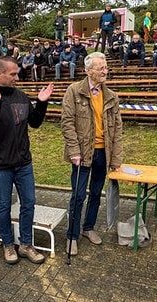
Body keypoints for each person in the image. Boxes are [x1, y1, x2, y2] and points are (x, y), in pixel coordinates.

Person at [0, 56, 55, 265]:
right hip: (0, 165)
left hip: (23, 163)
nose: (17, 77)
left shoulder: (21, 96)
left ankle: (26, 244)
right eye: (13, 74)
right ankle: (8, 244)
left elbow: (34, 122)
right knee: (3, 205)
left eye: (17, 73)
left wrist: (42, 103)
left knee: (29, 203)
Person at [61, 52, 123, 256]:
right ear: (88, 71)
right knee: (78, 195)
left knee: (96, 193)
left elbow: (117, 130)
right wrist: (74, 151)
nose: (105, 71)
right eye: (101, 68)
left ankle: (88, 228)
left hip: (102, 154)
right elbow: (67, 123)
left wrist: (115, 158)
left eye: (106, 68)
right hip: (82, 153)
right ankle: (72, 235)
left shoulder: (112, 96)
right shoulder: (74, 91)